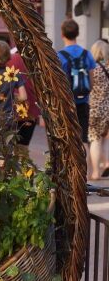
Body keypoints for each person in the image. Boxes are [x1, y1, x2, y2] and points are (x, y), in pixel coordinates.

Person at [57, 18, 95, 145]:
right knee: (84, 140)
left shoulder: (59, 56)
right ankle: (86, 165)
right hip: (83, 103)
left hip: (66, 104)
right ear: (77, 34)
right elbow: (91, 83)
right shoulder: (87, 54)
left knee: (67, 141)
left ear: (62, 34)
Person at [7, 43, 40, 147]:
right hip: (30, 111)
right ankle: (23, 163)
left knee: (7, 148)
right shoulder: (38, 60)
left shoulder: (8, 59)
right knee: (23, 147)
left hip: (10, 110)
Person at [88, 39, 109, 179]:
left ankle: (95, 172)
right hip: (108, 109)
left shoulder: (92, 69)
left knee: (95, 140)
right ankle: (106, 163)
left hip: (94, 109)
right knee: (106, 139)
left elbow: (88, 87)